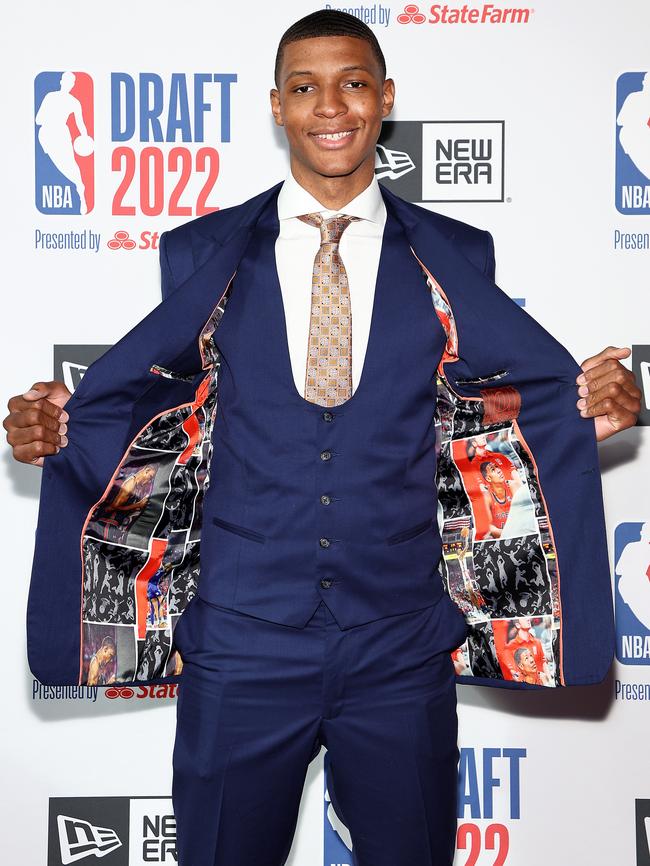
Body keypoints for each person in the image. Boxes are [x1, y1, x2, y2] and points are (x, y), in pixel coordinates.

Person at [3, 11, 642, 866]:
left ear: (385, 98)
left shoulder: (458, 250)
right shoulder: (199, 250)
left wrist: (584, 409)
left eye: (351, 82)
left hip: (403, 646)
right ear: (277, 105)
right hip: (239, 644)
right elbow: (160, 407)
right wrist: (56, 425)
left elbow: (483, 409)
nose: (329, 105)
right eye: (304, 87)